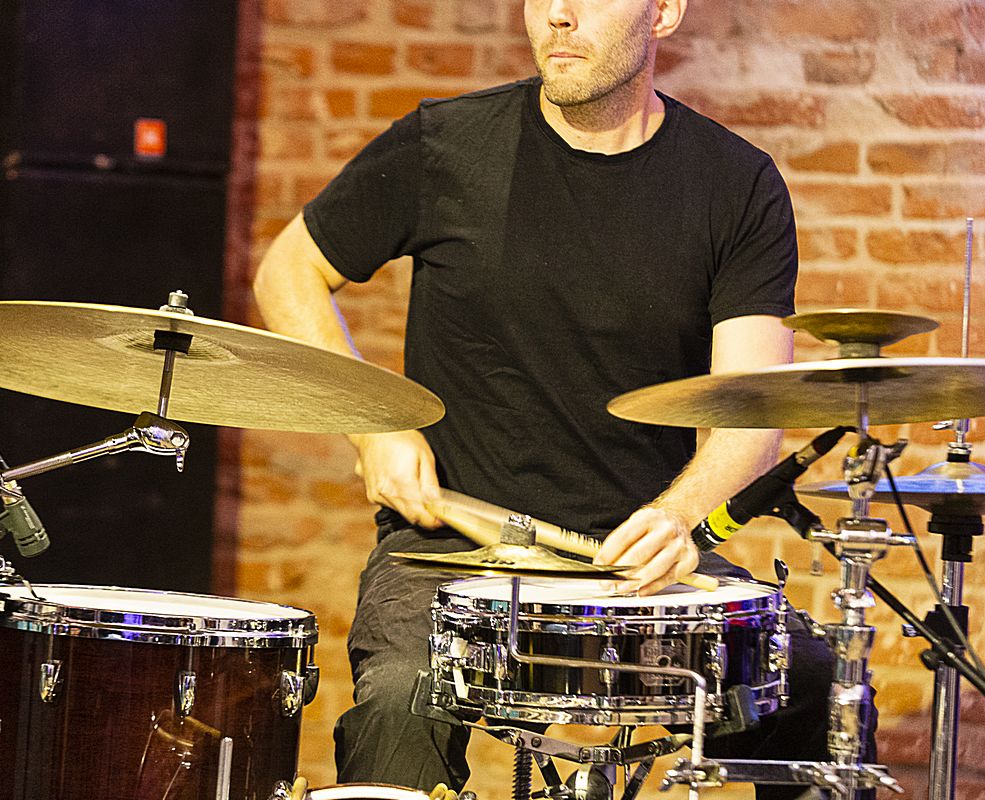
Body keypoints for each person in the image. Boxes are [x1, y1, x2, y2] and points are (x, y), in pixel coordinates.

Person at [254, 0, 861, 796]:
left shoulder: (735, 184)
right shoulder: (446, 146)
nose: (559, 16)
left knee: (814, 686)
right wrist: (376, 429)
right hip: (449, 553)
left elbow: (751, 413)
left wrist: (678, 518)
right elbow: (288, 272)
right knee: (401, 699)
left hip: (637, 561)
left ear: (664, 12)